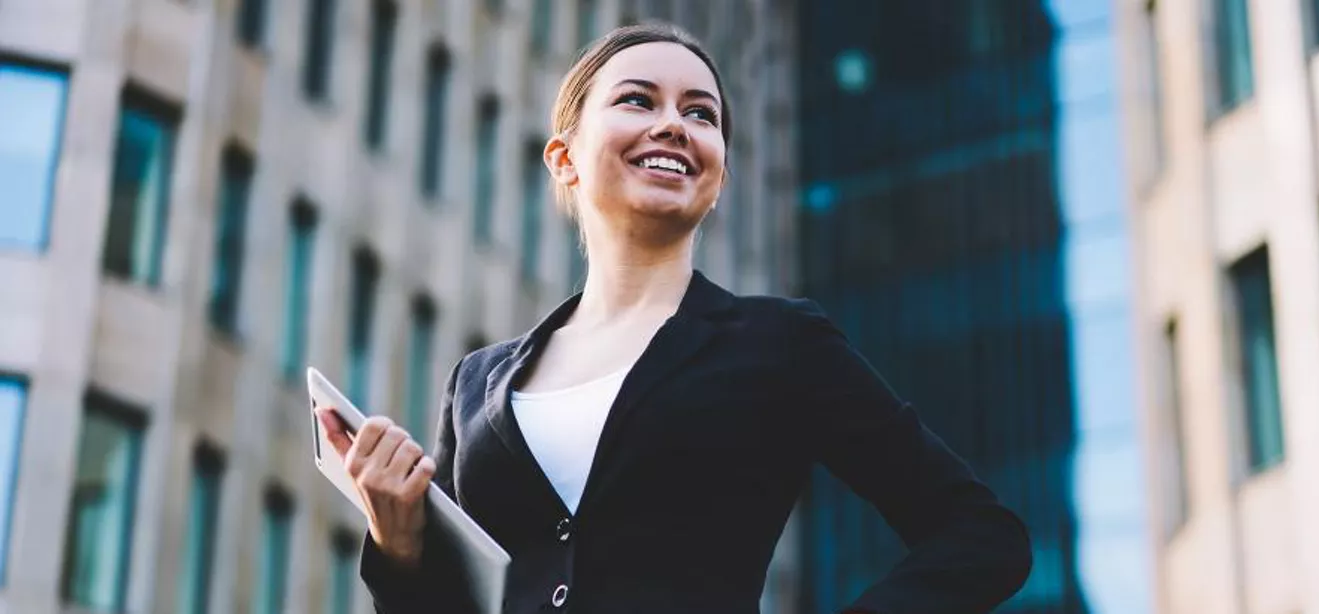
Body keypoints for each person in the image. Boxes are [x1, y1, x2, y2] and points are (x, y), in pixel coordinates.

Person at [315, 22, 1032, 614]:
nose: (673, 125)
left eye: (700, 114)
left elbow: (981, 535)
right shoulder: (477, 381)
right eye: (638, 100)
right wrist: (398, 539)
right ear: (564, 159)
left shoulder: (780, 343)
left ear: (717, 172)